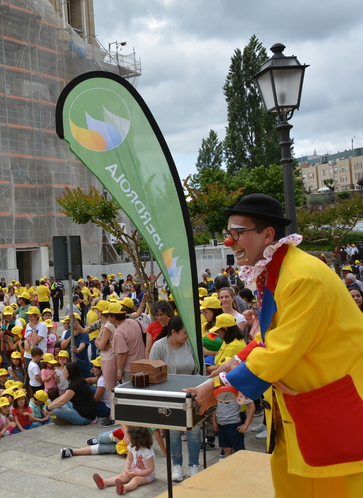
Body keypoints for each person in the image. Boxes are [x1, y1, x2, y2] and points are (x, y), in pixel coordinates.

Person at [186, 193, 363, 497]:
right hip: (307, 409)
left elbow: (279, 350)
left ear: (268, 234)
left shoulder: (301, 277)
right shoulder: (279, 272)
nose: (230, 241)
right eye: (229, 233)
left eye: (238, 232)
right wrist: (229, 366)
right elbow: (268, 338)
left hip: (338, 407)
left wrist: (220, 387)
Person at [149, 316, 200, 481]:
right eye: (184, 333)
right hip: (170, 396)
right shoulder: (159, 346)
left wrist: (199, 389)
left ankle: (194, 465)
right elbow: (152, 373)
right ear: (173, 332)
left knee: (194, 432)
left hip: (192, 396)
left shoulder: (190, 344)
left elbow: (199, 370)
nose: (187, 336)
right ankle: (177, 465)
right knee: (173, 433)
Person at [92, 426, 156, 494]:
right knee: (122, 475)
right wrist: (127, 469)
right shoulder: (132, 447)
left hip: (148, 474)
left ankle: (124, 488)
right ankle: (104, 482)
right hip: (136, 469)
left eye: (129, 436)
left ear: (136, 439)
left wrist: (138, 474)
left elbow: (150, 468)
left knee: (136, 480)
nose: (126, 438)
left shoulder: (147, 452)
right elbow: (129, 459)